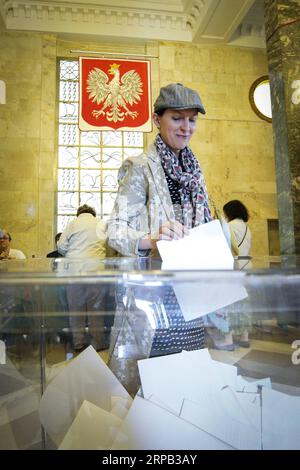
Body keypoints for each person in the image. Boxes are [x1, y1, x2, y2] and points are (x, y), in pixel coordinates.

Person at [107, 83, 211, 391]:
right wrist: (152, 239)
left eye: (192, 119)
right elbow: (115, 229)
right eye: (177, 118)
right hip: (157, 302)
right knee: (155, 388)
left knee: (189, 387)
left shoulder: (194, 168)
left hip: (193, 298)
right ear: (157, 119)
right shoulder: (140, 167)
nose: (186, 127)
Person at [57, 204, 110, 352]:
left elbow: (61, 246)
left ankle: (78, 342)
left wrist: (73, 251)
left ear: (79, 213)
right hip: (96, 271)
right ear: (93, 213)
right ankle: (98, 342)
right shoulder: (101, 223)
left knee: (76, 309)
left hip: (75, 271)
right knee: (96, 309)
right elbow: (109, 245)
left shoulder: (73, 223)